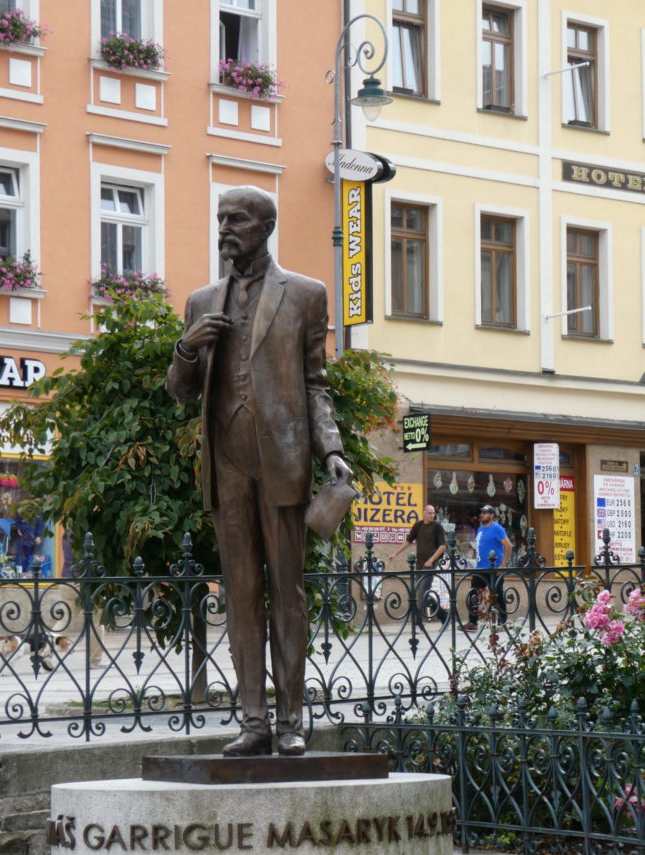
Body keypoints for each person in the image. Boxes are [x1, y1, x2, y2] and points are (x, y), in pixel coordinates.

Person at [166, 186, 352, 757]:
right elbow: (179, 392)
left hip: (285, 461)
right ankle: (253, 721)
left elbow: (315, 384)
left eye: (237, 220)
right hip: (227, 468)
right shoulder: (202, 302)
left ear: (266, 227)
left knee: (286, 594)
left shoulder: (304, 294)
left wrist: (331, 450)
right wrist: (187, 349)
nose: (225, 228)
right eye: (221, 218)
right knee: (241, 595)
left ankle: (292, 720)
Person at [390, 504, 448, 622]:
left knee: (422, 592)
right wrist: (395, 554)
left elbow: (443, 547)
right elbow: (408, 541)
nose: (432, 515)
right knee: (423, 594)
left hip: (430, 565)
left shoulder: (437, 527)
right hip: (419, 565)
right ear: (423, 513)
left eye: (433, 513)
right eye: (430, 513)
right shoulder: (418, 525)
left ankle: (418, 622)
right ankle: (444, 616)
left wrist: (431, 560)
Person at [465, 504, 512, 630]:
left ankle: (502, 621)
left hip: (494, 567)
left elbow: (508, 546)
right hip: (481, 567)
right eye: (482, 513)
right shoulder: (480, 529)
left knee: (497, 594)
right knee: (473, 593)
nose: (482, 515)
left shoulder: (497, 529)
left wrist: (503, 565)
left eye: (485, 513)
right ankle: (473, 622)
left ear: (491, 515)